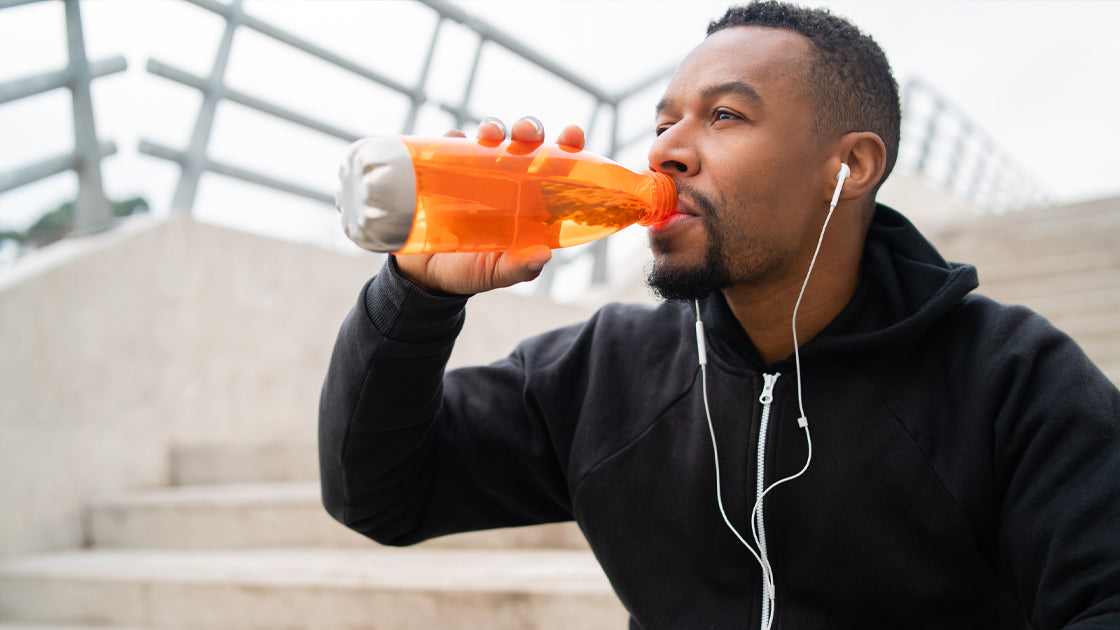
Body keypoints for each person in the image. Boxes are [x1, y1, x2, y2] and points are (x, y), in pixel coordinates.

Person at [319, 2, 1120, 628]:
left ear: (849, 165)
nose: (667, 149)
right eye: (664, 121)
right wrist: (419, 295)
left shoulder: (1012, 379)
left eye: (725, 116)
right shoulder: (604, 370)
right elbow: (381, 494)